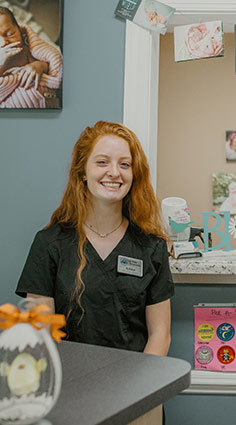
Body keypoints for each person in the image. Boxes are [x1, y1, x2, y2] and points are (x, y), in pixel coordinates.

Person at [16, 121, 174, 356]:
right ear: (82, 172)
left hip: (135, 384)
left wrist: (141, 389)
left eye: (125, 164)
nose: (114, 172)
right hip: (69, 383)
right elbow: (42, 334)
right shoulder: (50, 244)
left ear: (134, 174)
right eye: (102, 162)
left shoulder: (151, 247)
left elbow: (160, 335)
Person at [0, 6, 62, 108]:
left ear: (20, 31)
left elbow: (57, 66)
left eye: (10, 34)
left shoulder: (30, 50)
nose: (3, 42)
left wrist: (41, 65)